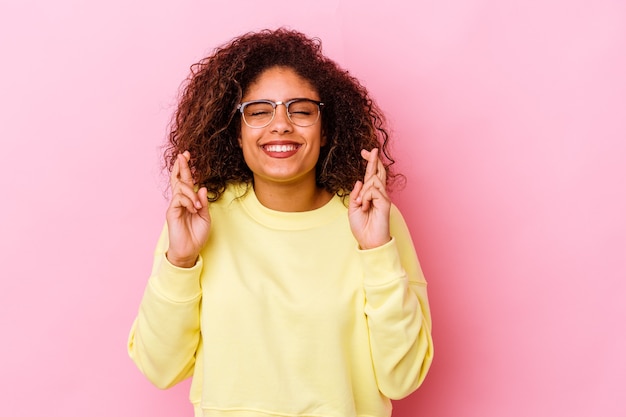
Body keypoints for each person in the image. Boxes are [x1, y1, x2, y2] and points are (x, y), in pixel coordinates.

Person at [128, 28, 433, 417]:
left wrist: (377, 252)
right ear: (235, 133)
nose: (280, 125)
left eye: (301, 110)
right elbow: (160, 368)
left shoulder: (372, 217)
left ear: (325, 131)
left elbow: (403, 378)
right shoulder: (201, 218)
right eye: (258, 112)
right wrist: (180, 261)